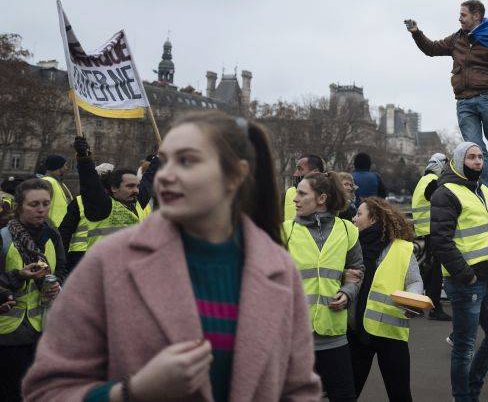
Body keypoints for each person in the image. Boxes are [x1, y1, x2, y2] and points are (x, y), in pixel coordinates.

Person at [22, 112, 322, 401]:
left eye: (187, 161)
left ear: (236, 174)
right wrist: (132, 392)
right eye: (164, 162)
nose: (165, 176)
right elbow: (46, 390)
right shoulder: (109, 261)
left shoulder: (279, 269)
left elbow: (299, 390)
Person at [405, 0, 488, 207]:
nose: (459, 18)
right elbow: (431, 48)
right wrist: (416, 32)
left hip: (487, 98)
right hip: (464, 102)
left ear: (476, 16)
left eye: (463, 14)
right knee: (476, 149)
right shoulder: (456, 39)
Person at [430, 141, 488, 401]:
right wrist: (467, 275)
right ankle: (463, 396)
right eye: (471, 157)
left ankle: (471, 387)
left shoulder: (483, 189)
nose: (477, 162)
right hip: (467, 281)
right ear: (459, 160)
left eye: (480, 157)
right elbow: (440, 241)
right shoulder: (446, 192)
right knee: (464, 346)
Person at [283, 171, 364, 401]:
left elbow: (357, 271)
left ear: (322, 199)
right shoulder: (285, 231)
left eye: (302, 193)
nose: (295, 199)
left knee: (344, 396)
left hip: (333, 335)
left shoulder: (348, 230)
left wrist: (348, 293)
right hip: (296, 337)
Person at [348, 197, 422, 401]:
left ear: (373, 219)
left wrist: (413, 299)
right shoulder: (350, 245)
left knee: (400, 395)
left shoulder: (402, 248)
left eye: (359, 214)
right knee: (346, 395)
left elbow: (414, 281)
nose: (354, 218)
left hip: (389, 334)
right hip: (356, 333)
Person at [0, 178, 67, 401]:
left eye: (45, 203)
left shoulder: (52, 234)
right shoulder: (4, 237)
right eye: (34, 204)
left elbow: (61, 268)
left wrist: (56, 284)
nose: (41, 210)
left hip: (43, 330)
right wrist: (19, 275)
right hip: (9, 333)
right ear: (19, 206)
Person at [60, 156, 156, 272]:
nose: (135, 190)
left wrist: (159, 159)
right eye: (130, 186)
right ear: (113, 187)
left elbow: (149, 179)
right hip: (85, 258)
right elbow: (64, 232)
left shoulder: (135, 201)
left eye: (137, 186)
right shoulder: (99, 204)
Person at [411, 152, 451, 321]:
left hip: (424, 229)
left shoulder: (423, 180)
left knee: (429, 267)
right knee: (436, 271)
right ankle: (435, 308)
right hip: (433, 229)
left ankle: (417, 302)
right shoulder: (433, 182)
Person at [284, 154, 325, 222]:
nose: (295, 174)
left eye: (300, 169)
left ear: (315, 172)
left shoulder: (330, 192)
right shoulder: (289, 191)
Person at [40, 154, 73, 228]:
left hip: (61, 230)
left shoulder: (59, 183)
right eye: (64, 165)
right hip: (52, 232)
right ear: (57, 166)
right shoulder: (47, 182)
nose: (66, 168)